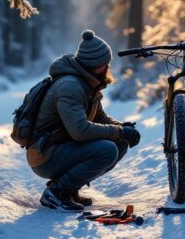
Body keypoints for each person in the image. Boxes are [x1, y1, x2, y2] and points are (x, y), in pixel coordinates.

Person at [27, 30, 141, 211]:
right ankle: (57, 193)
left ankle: (69, 189)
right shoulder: (70, 86)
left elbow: (100, 117)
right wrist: (119, 132)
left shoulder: (87, 83)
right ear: (97, 65)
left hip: (61, 147)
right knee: (107, 150)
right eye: (106, 63)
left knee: (119, 143)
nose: (107, 67)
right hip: (45, 155)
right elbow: (80, 131)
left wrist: (122, 128)